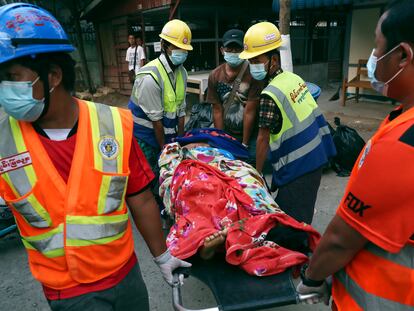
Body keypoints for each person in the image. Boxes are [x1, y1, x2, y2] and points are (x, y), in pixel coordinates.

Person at [0, 4, 190, 310]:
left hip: (127, 279)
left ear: (53, 77)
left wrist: (162, 255)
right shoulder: (4, 141)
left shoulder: (112, 125)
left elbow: (140, 198)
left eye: (12, 76)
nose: (4, 88)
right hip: (68, 292)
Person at [296, 1, 414, 309]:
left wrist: (312, 278)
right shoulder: (402, 119)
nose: (374, 57)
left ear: (402, 55)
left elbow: (341, 237)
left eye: (377, 46)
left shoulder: (403, 144)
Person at [239, 22, 336, 224]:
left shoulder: (270, 94)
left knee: (293, 226)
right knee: (302, 214)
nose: (253, 66)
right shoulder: (293, 78)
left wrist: (257, 175)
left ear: (273, 60)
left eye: (257, 60)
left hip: (298, 166)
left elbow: (263, 139)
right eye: (251, 61)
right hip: (317, 155)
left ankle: (302, 252)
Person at [128, 19, 192, 204]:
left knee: (172, 175)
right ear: (164, 45)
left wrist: (179, 144)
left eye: (184, 49)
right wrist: (166, 152)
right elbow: (156, 121)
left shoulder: (183, 73)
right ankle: (156, 211)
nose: (181, 53)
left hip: (165, 134)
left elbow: (181, 112)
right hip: (145, 138)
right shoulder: (149, 77)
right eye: (176, 47)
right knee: (150, 181)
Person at [207, 29, 264, 162]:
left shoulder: (253, 74)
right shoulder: (215, 75)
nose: (233, 53)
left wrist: (244, 144)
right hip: (226, 131)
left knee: (250, 161)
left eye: (237, 49)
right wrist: (222, 140)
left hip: (250, 134)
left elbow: (250, 111)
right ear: (222, 50)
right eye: (229, 49)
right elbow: (217, 110)